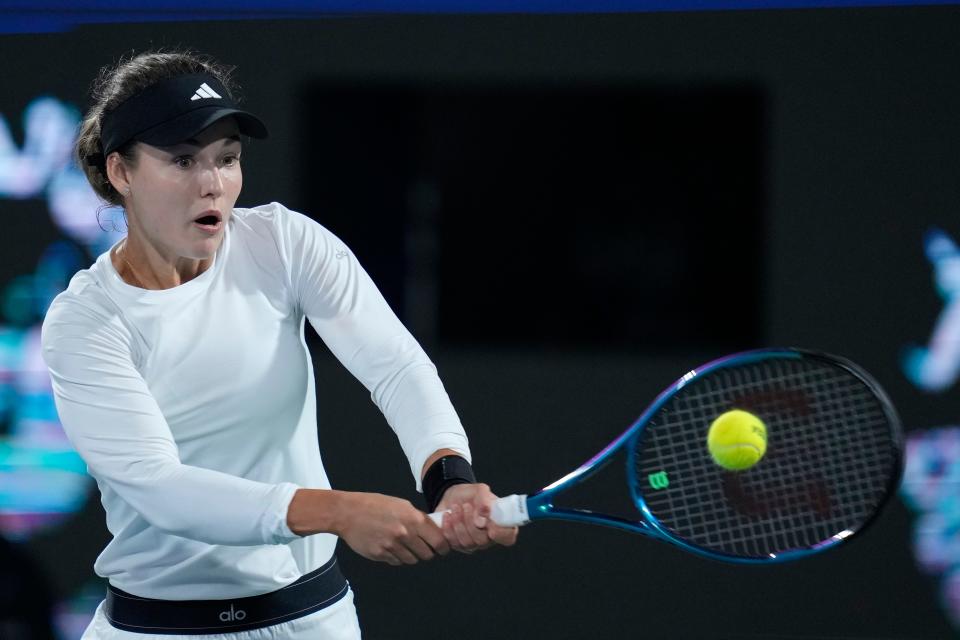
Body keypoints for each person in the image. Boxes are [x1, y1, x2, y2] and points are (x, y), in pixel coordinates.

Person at [41, 50, 517, 639]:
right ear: (121, 173)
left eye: (228, 158)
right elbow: (162, 488)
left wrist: (449, 475)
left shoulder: (284, 242)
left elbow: (393, 365)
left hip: (311, 622)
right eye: (184, 160)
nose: (213, 182)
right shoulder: (85, 322)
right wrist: (338, 511)